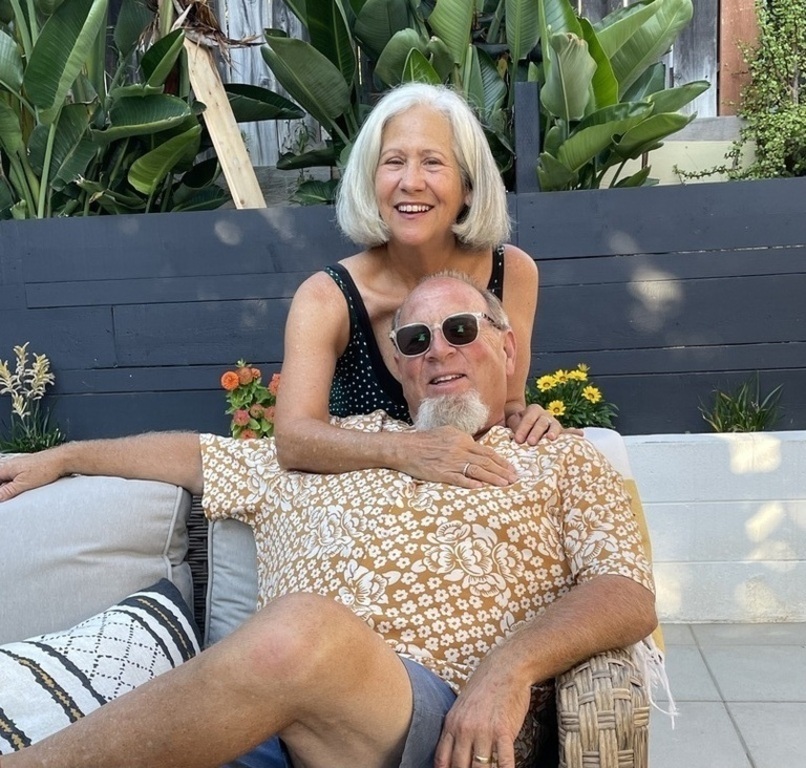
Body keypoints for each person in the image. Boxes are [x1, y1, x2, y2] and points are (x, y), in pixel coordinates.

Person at [0, 273, 657, 768]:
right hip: (268, 727)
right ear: (400, 367)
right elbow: (195, 457)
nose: (437, 351)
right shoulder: (334, 445)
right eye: (415, 340)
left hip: (438, 725)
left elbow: (624, 591)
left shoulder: (557, 458)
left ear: (507, 349)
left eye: (461, 330)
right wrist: (62, 455)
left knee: (300, 629)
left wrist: (509, 670)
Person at [273, 82, 562, 488]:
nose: (410, 182)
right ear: (370, 183)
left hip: (477, 501)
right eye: (393, 162)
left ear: (468, 186)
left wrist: (530, 420)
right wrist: (409, 452)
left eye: (432, 162)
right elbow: (293, 439)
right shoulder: (327, 297)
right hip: (367, 511)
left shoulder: (512, 272)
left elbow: (508, 404)